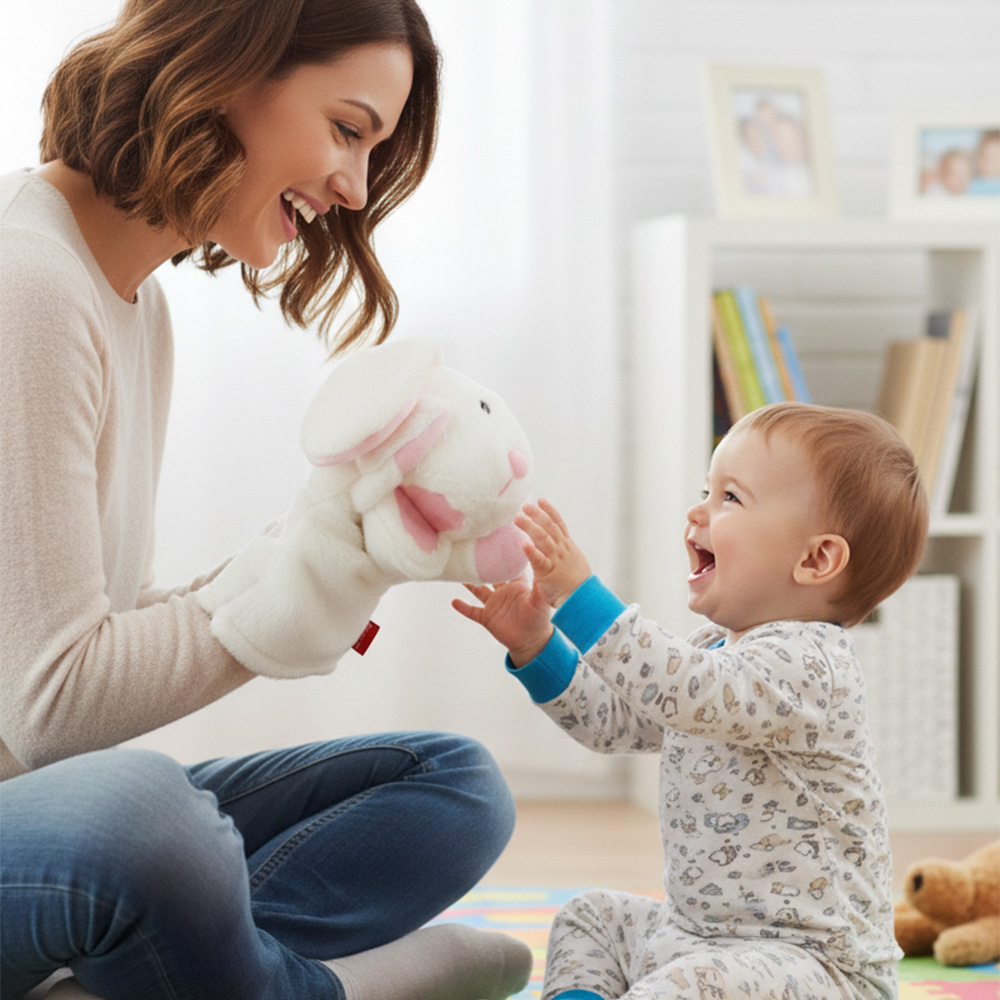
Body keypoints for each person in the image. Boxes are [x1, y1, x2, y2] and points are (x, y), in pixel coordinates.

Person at [0, 2, 533, 999]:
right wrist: (305, 586)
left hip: (30, 822)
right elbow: (52, 707)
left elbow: (89, 630)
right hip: (46, 818)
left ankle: (155, 975)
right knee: (142, 819)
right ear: (224, 67)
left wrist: (325, 545)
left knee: (454, 782)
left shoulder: (133, 302)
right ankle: (326, 987)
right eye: (347, 130)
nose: (354, 186)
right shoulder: (26, 282)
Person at [454, 402, 930, 1000]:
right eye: (707, 489)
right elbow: (618, 720)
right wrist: (537, 645)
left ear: (815, 560)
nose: (696, 511)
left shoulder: (812, 665)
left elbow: (682, 688)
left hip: (815, 968)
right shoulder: (717, 650)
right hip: (697, 936)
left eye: (730, 498)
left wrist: (580, 596)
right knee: (589, 918)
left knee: (693, 982)